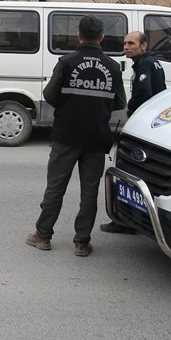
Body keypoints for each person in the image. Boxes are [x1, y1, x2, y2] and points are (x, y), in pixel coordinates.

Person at [26, 15, 126, 257]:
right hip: (96, 137)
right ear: (102, 37)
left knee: (55, 188)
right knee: (89, 193)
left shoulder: (67, 62)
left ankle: (43, 236)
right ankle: (82, 242)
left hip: (66, 135)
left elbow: (49, 96)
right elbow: (120, 102)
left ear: (78, 35)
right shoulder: (113, 67)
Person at [100, 31, 167, 234]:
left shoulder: (145, 64)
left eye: (131, 43)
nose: (126, 47)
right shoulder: (150, 62)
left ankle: (124, 220)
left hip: (145, 126)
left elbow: (144, 91)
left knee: (126, 169)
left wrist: (131, 108)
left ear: (144, 46)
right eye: (125, 43)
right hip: (154, 126)